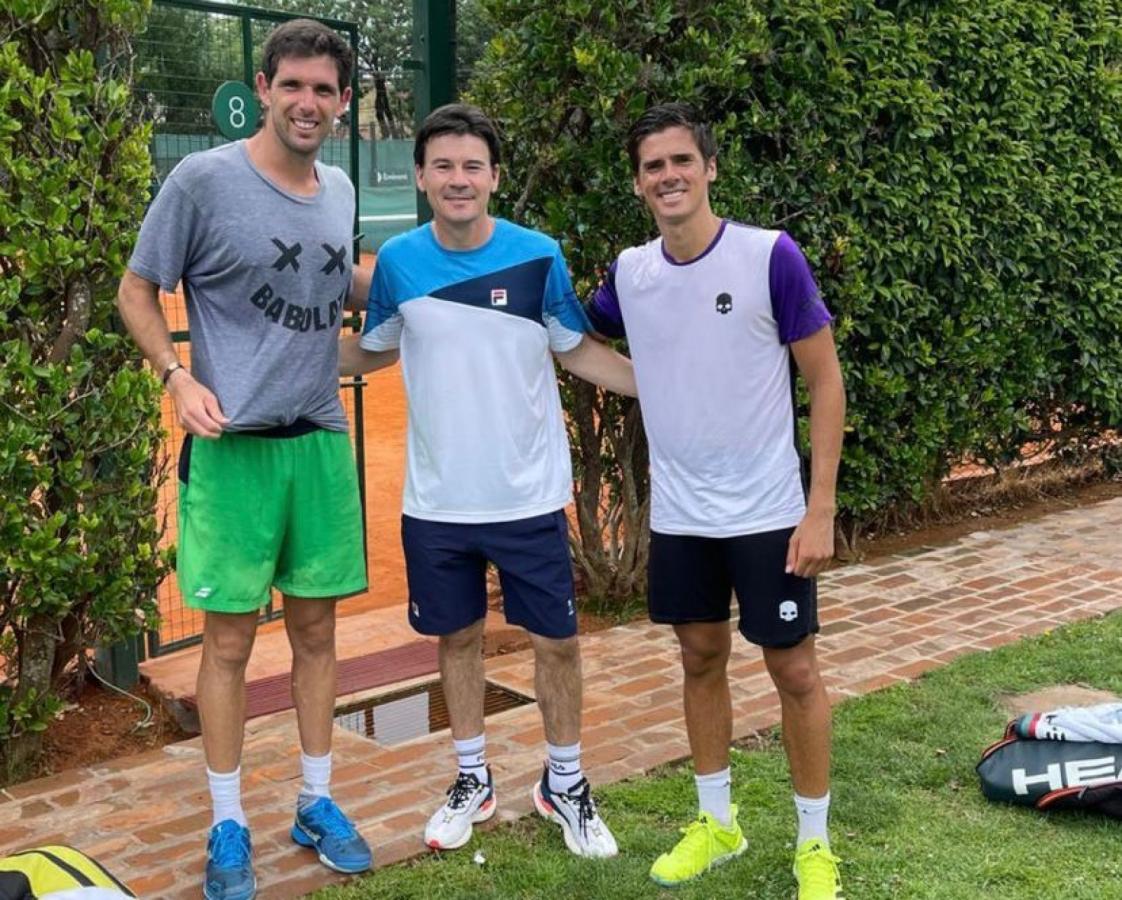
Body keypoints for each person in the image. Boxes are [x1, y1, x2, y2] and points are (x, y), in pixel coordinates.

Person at [117, 19, 372, 900]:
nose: (308, 102)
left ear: (342, 104)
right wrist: (175, 376)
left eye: (325, 90)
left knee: (316, 634)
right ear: (262, 88)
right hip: (231, 455)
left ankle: (316, 800)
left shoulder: (339, 191)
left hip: (320, 446)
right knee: (226, 646)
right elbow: (136, 286)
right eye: (292, 84)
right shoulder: (203, 180)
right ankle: (228, 823)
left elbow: (339, 288)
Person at [339, 103, 636, 859]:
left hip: (528, 497)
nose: (458, 179)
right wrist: (275, 356)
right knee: (458, 639)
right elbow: (373, 351)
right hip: (436, 504)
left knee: (557, 643)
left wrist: (669, 386)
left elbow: (577, 350)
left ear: (494, 177)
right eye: (443, 166)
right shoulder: (400, 262)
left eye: (472, 165)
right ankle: (472, 778)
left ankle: (563, 783)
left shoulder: (539, 255)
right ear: (420, 178)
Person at [585, 103, 847, 899]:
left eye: (681, 162)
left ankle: (813, 842)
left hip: (770, 513)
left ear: (708, 170)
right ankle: (717, 823)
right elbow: (574, 335)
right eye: (652, 166)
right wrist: (644, 382)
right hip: (681, 518)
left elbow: (826, 379)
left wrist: (821, 506)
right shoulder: (630, 274)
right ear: (638, 183)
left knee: (792, 670)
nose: (668, 176)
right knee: (701, 659)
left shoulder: (771, 256)